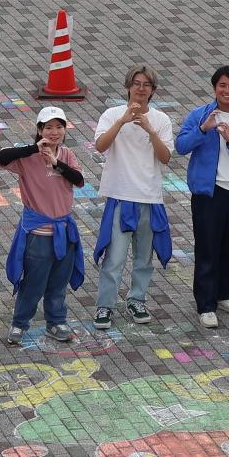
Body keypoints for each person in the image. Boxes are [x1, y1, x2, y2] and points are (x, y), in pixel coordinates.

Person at [177, 66, 229, 328]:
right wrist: (203, 129)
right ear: (214, 88)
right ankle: (206, 304)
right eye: (222, 85)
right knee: (208, 248)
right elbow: (181, 146)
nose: (227, 90)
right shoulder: (199, 115)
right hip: (208, 194)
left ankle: (224, 294)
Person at [92, 64, 175, 328]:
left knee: (143, 257)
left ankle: (137, 299)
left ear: (152, 91)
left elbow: (165, 158)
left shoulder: (161, 120)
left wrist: (150, 130)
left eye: (146, 85)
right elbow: (100, 146)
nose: (141, 89)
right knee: (114, 257)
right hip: (119, 195)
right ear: (128, 86)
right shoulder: (112, 114)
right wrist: (121, 122)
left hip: (150, 197)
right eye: (137, 83)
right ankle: (105, 305)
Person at [0, 107, 86, 344]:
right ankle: (19, 323)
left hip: (64, 231)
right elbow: (1, 157)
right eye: (48, 127)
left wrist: (56, 162)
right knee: (33, 282)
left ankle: (56, 322)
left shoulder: (67, 155)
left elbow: (78, 180)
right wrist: (33, 148)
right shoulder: (27, 158)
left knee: (58, 281)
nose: (54, 132)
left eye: (59, 127)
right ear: (39, 130)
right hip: (38, 232)